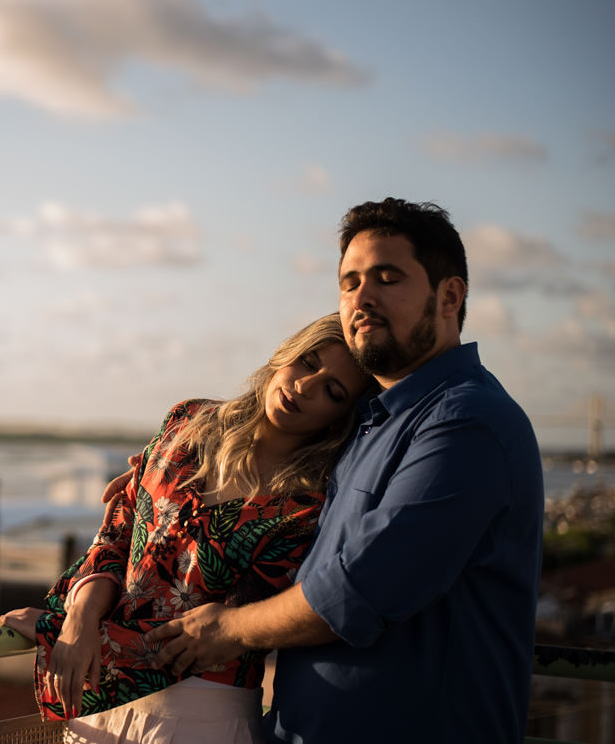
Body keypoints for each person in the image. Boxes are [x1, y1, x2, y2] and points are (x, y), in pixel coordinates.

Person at [141, 198, 545, 744]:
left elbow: (356, 591)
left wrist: (228, 630)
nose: (362, 298)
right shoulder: (366, 424)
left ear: (449, 296)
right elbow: (275, 488)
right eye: (349, 282)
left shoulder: (468, 422)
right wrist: (170, 475)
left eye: (387, 277)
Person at [0, 313, 374, 744]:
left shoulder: (308, 506)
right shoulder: (186, 422)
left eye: (332, 390)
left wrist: (51, 631)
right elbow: (119, 535)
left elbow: (218, 636)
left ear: (338, 417)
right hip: (97, 711)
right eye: (308, 362)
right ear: (285, 354)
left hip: (201, 716)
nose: (305, 386)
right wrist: (76, 619)